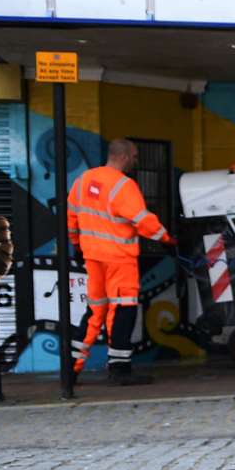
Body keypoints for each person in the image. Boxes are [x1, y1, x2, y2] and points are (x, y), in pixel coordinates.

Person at [68, 138, 174, 386]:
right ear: (124, 156)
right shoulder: (124, 186)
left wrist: (77, 245)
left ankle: (72, 368)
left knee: (95, 312)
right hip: (119, 260)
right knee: (123, 310)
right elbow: (143, 220)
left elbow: (71, 217)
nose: (136, 161)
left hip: (93, 258)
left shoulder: (83, 181)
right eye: (135, 157)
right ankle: (120, 369)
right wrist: (167, 238)